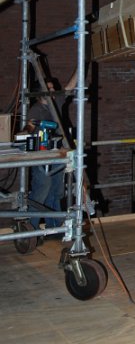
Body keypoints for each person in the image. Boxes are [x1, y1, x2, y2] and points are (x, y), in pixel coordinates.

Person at [24, 68, 77, 235]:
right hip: (41, 155)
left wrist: (80, 66)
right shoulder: (35, 110)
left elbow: (69, 86)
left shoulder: (56, 102)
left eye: (53, 89)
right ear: (41, 94)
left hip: (56, 153)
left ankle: (54, 226)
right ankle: (30, 229)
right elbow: (29, 128)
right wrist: (25, 131)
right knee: (42, 189)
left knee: (56, 190)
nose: (54, 91)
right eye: (50, 89)